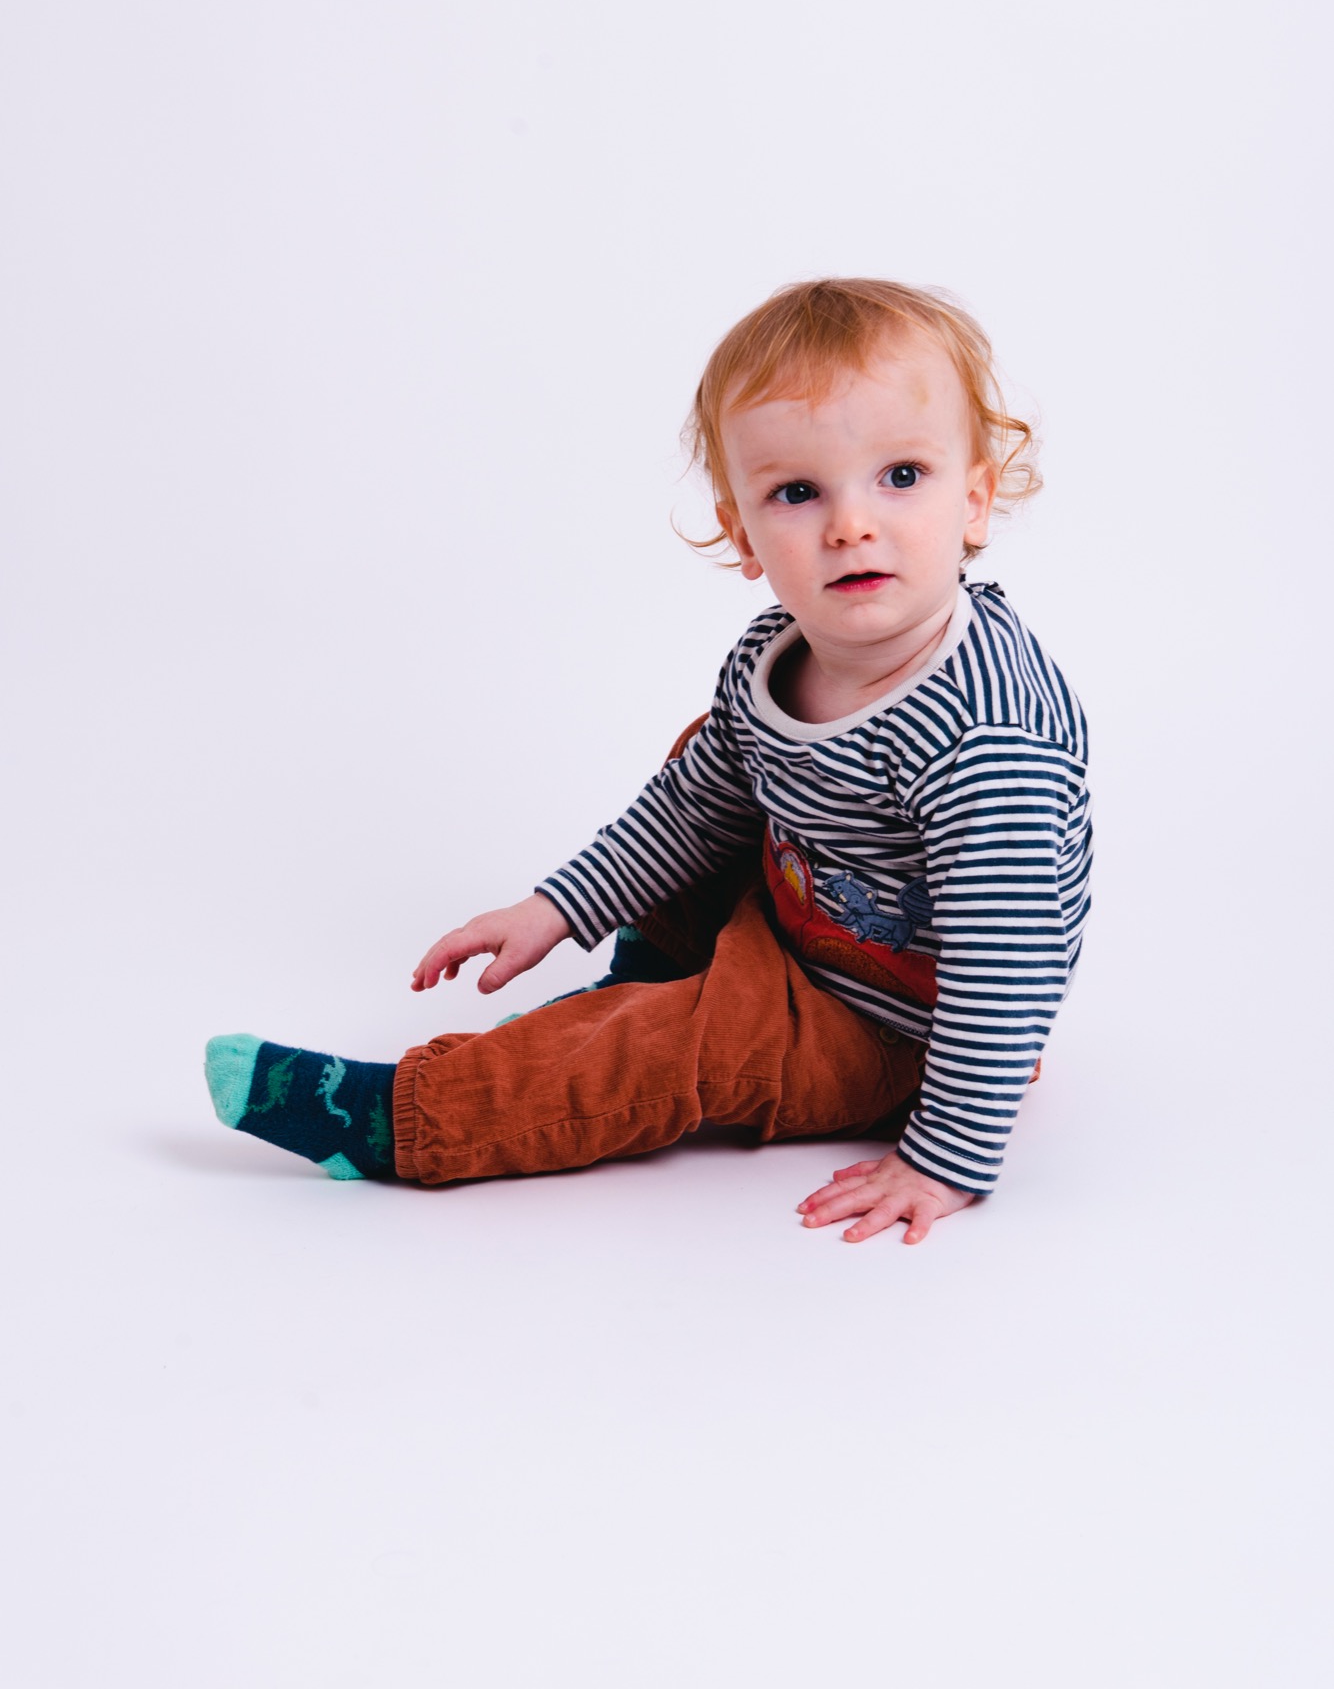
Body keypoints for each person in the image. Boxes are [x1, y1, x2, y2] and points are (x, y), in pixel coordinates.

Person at [205, 278, 1093, 1245]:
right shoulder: (772, 653)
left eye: (902, 476)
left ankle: (402, 1118)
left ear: (976, 500)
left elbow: (1007, 963)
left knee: (674, 1051)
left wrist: (944, 1158)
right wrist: (558, 908)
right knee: (711, 755)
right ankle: (650, 968)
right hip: (805, 907)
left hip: (899, 1026)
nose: (850, 525)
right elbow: (688, 809)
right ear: (742, 532)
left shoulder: (986, 739)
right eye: (798, 493)